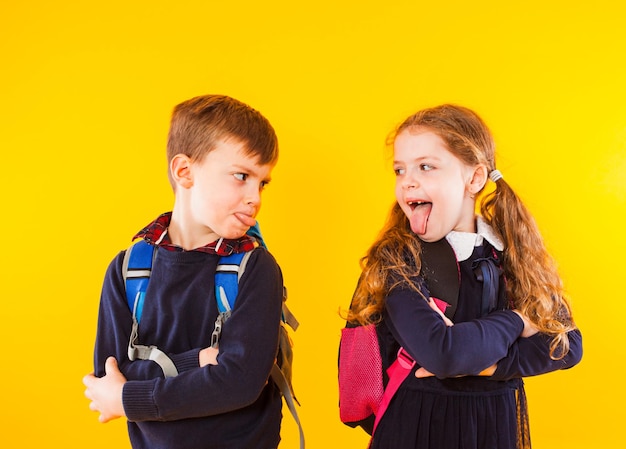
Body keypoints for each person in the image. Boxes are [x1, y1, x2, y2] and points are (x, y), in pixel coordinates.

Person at [343, 104, 582, 449]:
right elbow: (444, 353)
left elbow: (567, 344)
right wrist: (517, 320)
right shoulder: (399, 260)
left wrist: (487, 366)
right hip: (418, 427)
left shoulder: (509, 252)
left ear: (474, 179)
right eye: (400, 170)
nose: (408, 180)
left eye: (426, 166)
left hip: (492, 427)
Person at [83, 94, 285, 449]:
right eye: (241, 176)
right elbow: (107, 378)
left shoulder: (256, 268)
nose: (256, 197)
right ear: (184, 172)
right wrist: (199, 362)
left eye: (262, 183)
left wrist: (131, 397)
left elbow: (240, 382)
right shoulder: (128, 269)